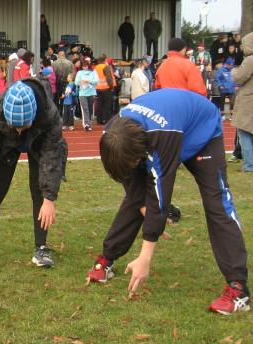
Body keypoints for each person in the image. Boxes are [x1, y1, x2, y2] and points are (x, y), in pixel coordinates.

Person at [86, 89, 249, 315]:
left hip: (200, 132)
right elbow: (133, 185)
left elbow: (160, 195)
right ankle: (108, 257)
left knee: (216, 202)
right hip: (163, 129)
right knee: (135, 198)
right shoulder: (112, 132)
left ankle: (238, 288)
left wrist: (145, 257)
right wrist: (145, 209)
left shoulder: (161, 136)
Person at [0, 79, 66, 269]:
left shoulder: (49, 114)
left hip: (39, 144)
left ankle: (41, 248)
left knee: (39, 192)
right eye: (15, 126)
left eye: (23, 126)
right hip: (7, 145)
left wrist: (49, 198)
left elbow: (51, 157)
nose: (19, 131)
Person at [231, 32, 253, 172]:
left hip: (248, 100)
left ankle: (249, 166)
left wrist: (234, 71)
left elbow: (239, 77)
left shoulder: (250, 60)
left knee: (244, 132)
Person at [74, 57, 98, 131]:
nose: (85, 67)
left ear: (88, 65)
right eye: (83, 66)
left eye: (86, 66)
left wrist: (89, 81)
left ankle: (88, 122)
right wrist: (81, 82)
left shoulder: (93, 72)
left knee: (90, 109)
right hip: (82, 93)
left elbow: (96, 81)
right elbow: (76, 82)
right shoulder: (79, 72)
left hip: (92, 92)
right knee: (85, 109)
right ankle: (87, 124)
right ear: (81, 66)